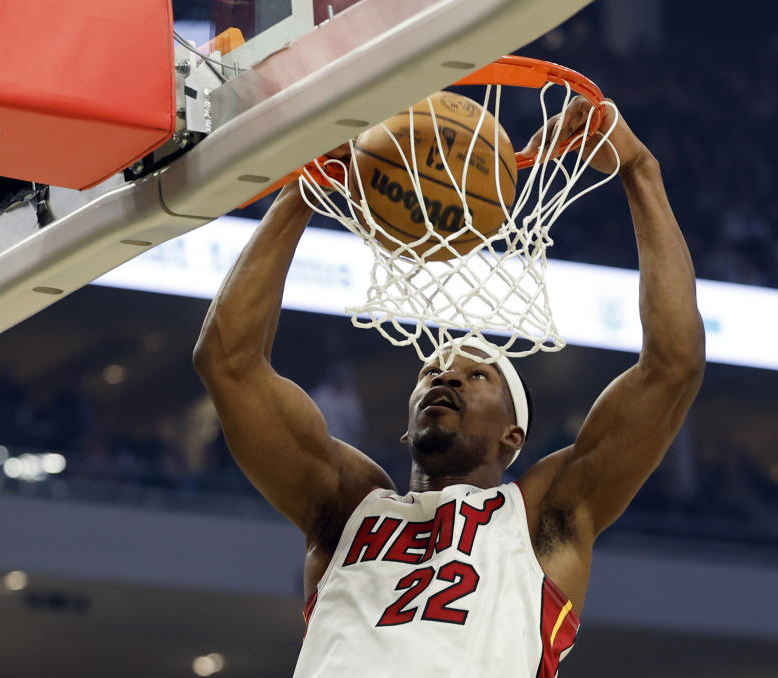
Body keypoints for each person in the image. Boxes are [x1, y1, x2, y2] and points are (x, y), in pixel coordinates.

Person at [192, 95, 705, 677]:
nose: (446, 375)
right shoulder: (349, 505)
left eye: (477, 374)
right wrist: (302, 191)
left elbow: (672, 366)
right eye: (431, 372)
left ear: (513, 436)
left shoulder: (541, 517)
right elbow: (228, 361)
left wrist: (641, 172)